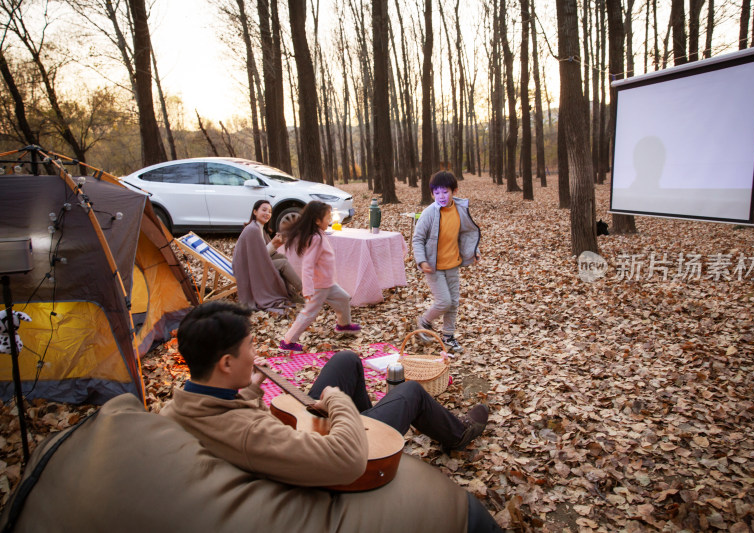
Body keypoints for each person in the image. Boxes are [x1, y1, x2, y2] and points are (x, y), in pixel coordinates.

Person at [160, 301, 500, 532]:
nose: (256, 353)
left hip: (290, 441)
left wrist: (247, 391)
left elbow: (232, 421)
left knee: (346, 360)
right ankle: (459, 433)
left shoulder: (179, 408)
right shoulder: (249, 432)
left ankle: (372, 416)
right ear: (225, 364)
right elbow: (346, 460)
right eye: (250, 346)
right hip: (347, 455)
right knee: (409, 392)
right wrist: (338, 404)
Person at [412, 171, 481, 353]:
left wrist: (474, 251)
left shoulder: (460, 210)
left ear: (454, 191)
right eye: (437, 192)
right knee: (444, 301)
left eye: (445, 192)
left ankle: (448, 337)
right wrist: (422, 260)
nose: (441, 196)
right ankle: (424, 321)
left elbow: (467, 233)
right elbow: (417, 239)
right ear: (432, 194)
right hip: (433, 267)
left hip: (453, 264)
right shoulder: (429, 214)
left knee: (454, 302)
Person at [279, 200, 360, 353]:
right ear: (317, 220)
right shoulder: (316, 238)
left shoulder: (320, 234)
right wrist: (308, 289)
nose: (329, 220)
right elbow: (308, 265)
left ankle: (343, 325)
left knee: (343, 297)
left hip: (328, 284)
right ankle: (288, 341)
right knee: (309, 313)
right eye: (327, 217)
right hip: (319, 286)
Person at [232, 200, 303, 312]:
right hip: (248, 269)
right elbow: (258, 258)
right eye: (264, 210)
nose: (267, 213)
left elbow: (259, 254)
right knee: (283, 263)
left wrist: (275, 244)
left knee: (282, 258)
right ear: (255, 212)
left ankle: (292, 293)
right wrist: (273, 244)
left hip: (254, 263)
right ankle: (305, 290)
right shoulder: (252, 230)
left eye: (269, 211)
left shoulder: (259, 228)